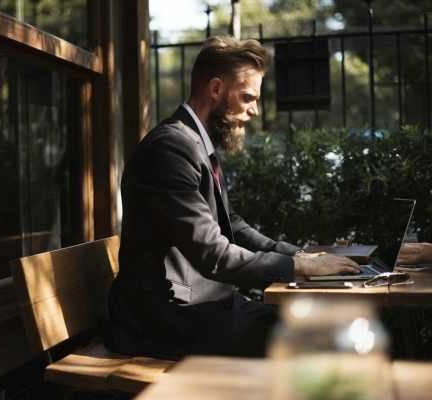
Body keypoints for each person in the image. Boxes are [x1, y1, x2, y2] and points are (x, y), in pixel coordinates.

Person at [106, 36, 359, 358]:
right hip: (164, 320)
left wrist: (302, 256)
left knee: (322, 327)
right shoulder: (170, 149)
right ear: (215, 89)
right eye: (248, 97)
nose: (255, 111)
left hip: (200, 306)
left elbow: (232, 225)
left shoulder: (195, 143)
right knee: (319, 338)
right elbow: (213, 254)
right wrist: (296, 266)